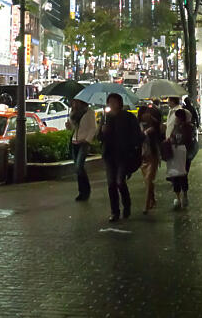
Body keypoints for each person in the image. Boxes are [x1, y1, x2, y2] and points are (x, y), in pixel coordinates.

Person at [100, 92, 143, 221]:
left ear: (120, 103)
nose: (112, 105)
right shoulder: (106, 118)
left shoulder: (128, 117)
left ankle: (127, 206)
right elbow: (100, 137)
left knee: (120, 182)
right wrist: (102, 131)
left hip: (124, 155)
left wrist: (133, 149)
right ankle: (115, 212)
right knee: (111, 183)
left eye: (114, 102)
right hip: (109, 155)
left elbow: (137, 136)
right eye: (110, 102)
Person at [67, 98, 97, 202]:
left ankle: (86, 191)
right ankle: (81, 191)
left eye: (76, 101)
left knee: (79, 167)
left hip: (84, 143)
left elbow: (93, 128)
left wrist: (88, 140)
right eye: (73, 101)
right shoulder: (74, 113)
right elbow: (73, 128)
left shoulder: (89, 112)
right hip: (75, 141)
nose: (74, 103)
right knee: (78, 168)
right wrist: (69, 125)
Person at [166, 108, 193, 208]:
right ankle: (179, 198)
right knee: (177, 176)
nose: (176, 118)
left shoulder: (188, 127)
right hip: (176, 155)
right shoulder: (176, 127)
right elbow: (172, 137)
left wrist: (177, 143)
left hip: (184, 155)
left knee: (182, 175)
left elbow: (188, 141)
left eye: (177, 117)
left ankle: (183, 196)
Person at [137, 105, 161, 214]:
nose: (147, 114)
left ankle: (146, 205)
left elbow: (159, 135)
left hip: (153, 155)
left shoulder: (154, 124)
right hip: (142, 156)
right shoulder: (137, 126)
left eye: (148, 113)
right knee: (147, 181)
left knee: (148, 179)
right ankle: (153, 199)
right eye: (145, 112)